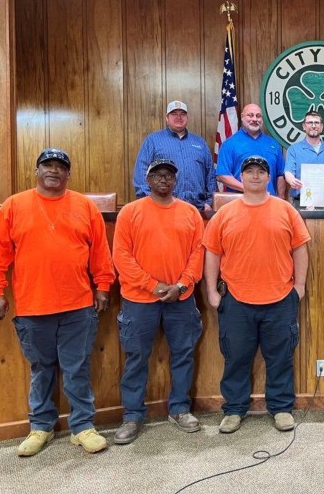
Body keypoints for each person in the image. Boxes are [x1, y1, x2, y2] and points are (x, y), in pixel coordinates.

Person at [0, 148, 114, 456]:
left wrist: (103, 286)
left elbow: (100, 253)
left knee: (77, 368)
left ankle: (82, 427)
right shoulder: (13, 206)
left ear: (68, 174)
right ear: (36, 171)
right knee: (41, 369)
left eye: (60, 167)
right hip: (32, 306)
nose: (53, 170)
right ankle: (40, 426)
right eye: (47, 165)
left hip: (78, 305)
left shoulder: (84, 206)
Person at [203, 156, 310, 434]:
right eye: (249, 171)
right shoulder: (224, 214)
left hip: (280, 298)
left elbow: (300, 249)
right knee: (236, 357)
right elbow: (212, 253)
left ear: (268, 176)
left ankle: (281, 407)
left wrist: (299, 287)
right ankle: (235, 409)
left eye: (260, 172)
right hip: (236, 300)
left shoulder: (286, 210)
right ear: (241, 177)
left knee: (281, 357)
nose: (254, 176)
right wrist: (212, 291)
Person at [112, 159, 205, 445]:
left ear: (175, 181)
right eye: (157, 175)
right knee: (136, 357)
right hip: (139, 299)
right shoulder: (130, 212)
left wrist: (181, 284)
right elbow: (121, 257)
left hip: (181, 297)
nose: (163, 179)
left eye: (169, 175)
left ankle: (179, 409)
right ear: (147, 179)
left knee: (183, 353)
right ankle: (133, 415)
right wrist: (153, 285)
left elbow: (197, 254)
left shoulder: (190, 213)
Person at [133, 100, 216, 213]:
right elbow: (141, 173)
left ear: (187, 118)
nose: (179, 117)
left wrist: (209, 202)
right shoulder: (152, 141)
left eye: (182, 114)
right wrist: (149, 200)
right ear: (167, 118)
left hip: (197, 208)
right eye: (174, 114)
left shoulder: (200, 142)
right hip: (162, 208)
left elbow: (210, 174)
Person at [215, 103, 287, 198]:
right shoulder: (229, 144)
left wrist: (281, 199)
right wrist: (248, 188)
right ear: (242, 117)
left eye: (258, 116)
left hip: (269, 202)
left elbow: (280, 175)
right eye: (250, 115)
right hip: (240, 202)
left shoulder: (273, 144)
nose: (254, 119)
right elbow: (222, 175)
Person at [284, 111, 324, 205]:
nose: (313, 125)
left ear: (321, 127)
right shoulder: (294, 149)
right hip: (300, 201)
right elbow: (288, 172)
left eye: (316, 123)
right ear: (304, 126)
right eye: (310, 123)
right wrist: (292, 180)